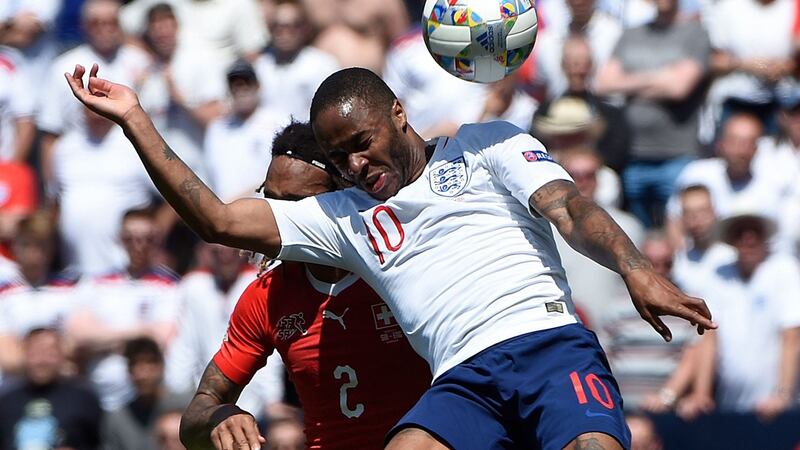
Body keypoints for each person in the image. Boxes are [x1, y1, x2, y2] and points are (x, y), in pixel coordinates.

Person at [65, 64, 715, 450]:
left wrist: (635, 268)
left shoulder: (487, 145)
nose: (355, 164)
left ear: (398, 114)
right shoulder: (344, 220)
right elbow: (216, 218)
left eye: (362, 142)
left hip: (547, 344)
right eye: (339, 154)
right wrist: (134, 119)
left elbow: (568, 208)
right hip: (462, 379)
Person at [179, 122, 431, 449]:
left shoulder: (404, 266)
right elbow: (198, 411)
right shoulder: (266, 296)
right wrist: (219, 416)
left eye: (297, 203)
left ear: (342, 198)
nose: (278, 215)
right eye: (271, 200)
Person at [595, 0, 711, 227]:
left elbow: (679, 88)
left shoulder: (695, 34)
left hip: (677, 155)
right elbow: (604, 83)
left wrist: (630, 85)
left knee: (677, 231)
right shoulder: (631, 34)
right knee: (637, 233)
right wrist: (660, 77)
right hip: (633, 155)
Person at [687, 208, 800, 421]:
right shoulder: (718, 274)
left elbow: (791, 336)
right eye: (740, 232)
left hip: (778, 410)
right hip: (729, 405)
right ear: (731, 239)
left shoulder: (784, 269)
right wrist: (701, 394)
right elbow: (709, 337)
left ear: (764, 236)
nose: (748, 238)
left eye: (754, 231)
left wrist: (783, 395)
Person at [66, 208, 180, 410]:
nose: (139, 246)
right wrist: (138, 332)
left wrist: (101, 340)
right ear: (120, 239)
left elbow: (158, 340)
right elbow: (77, 336)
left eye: (147, 239)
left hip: (147, 398)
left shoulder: (170, 286)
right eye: (131, 238)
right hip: (99, 394)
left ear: (157, 241)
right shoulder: (96, 283)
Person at [163, 244, 284, 420]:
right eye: (217, 252)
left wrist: (272, 397)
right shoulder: (194, 286)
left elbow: (270, 346)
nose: (225, 258)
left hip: (257, 399)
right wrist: (177, 392)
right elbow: (185, 343)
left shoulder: (258, 282)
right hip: (207, 393)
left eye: (232, 252)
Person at [138, 2, 226, 181]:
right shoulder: (147, 73)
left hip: (196, 169)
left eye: (166, 28)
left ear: (176, 27)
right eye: (156, 30)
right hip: (156, 171)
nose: (162, 35)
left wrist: (181, 99)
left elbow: (216, 119)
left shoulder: (200, 60)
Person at [0, 328, 103, 450]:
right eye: (35, 353)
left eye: (50, 353)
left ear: (62, 356)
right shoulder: (6, 400)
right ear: (24, 354)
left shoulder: (84, 398)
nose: (42, 361)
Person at [203, 60, 287, 201]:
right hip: (223, 211)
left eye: (246, 82)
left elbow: (281, 173)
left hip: (265, 206)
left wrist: (240, 199)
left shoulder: (278, 122)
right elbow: (210, 175)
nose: (241, 89)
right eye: (235, 84)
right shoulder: (217, 129)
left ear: (257, 86)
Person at [253, 0, 339, 121]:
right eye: (277, 26)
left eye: (292, 26)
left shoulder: (322, 65)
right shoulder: (260, 66)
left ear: (304, 28)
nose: (284, 32)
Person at [102, 337, 190, 450]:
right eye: (135, 364)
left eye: (149, 362)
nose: (142, 373)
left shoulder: (188, 407)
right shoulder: (118, 420)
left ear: (161, 365)